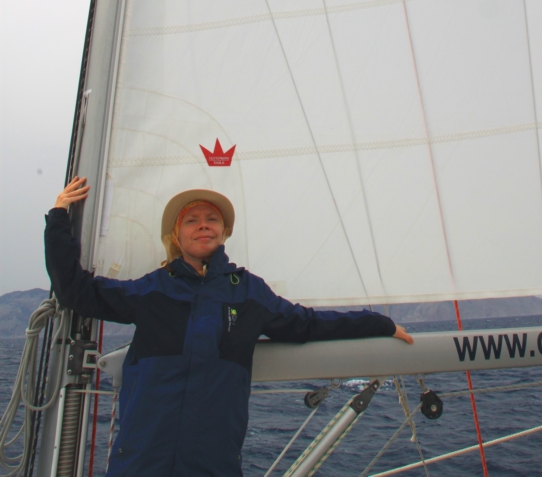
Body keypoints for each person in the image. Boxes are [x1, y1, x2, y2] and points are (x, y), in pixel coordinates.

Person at [45, 176, 413, 477]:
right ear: (176, 236)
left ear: (223, 232)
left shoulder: (248, 292)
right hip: (142, 462)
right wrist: (60, 216)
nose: (203, 224)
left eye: (212, 219)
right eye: (191, 220)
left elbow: (307, 324)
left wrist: (377, 323)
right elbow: (76, 291)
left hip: (213, 464)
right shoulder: (152, 290)